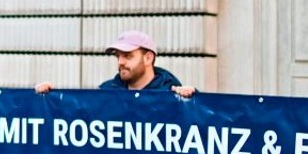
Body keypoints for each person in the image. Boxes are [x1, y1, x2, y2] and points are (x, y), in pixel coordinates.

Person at [34, 30, 196, 97]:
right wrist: (49, 98)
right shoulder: (106, 92)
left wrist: (193, 100)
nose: (120, 62)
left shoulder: (172, 95)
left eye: (128, 56)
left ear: (148, 58)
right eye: (118, 56)